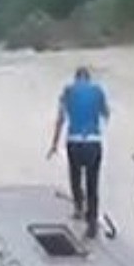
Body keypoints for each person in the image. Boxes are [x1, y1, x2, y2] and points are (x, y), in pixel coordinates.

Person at [48, 66, 109, 239]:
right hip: (93, 142)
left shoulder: (67, 91)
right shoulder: (98, 91)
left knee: (75, 176)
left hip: (74, 141)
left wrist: (54, 144)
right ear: (88, 78)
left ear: (76, 78)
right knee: (92, 183)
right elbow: (106, 114)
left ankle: (78, 208)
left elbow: (60, 119)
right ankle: (92, 222)